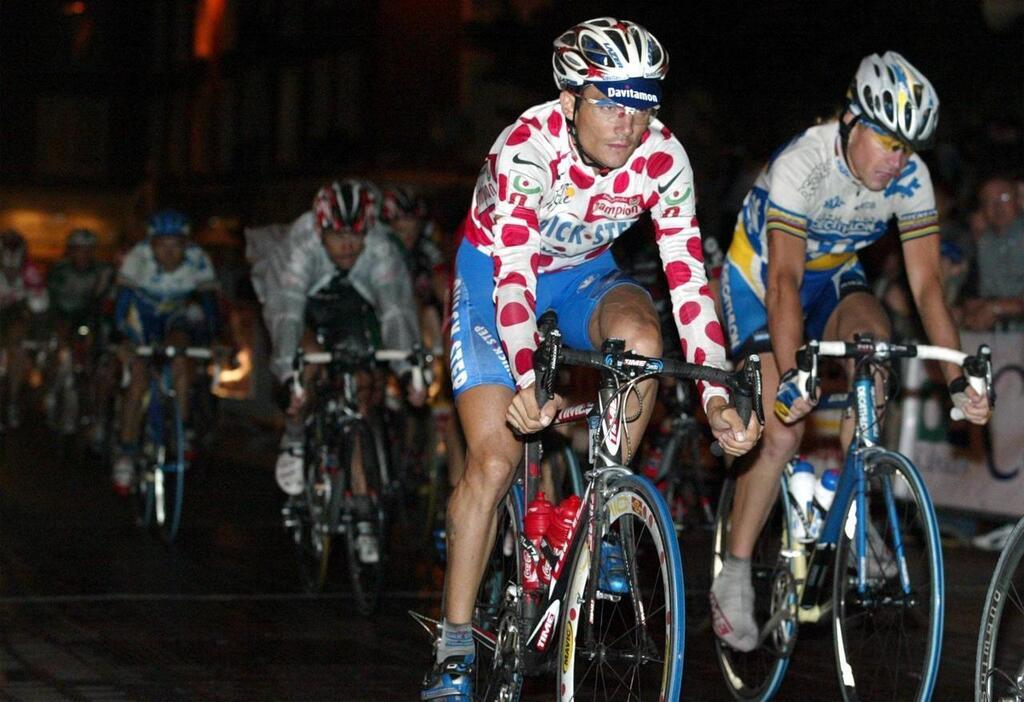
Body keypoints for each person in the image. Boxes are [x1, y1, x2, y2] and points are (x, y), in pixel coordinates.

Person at [422, 17, 761, 700]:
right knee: (493, 459)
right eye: (609, 103)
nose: (627, 125)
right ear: (570, 100)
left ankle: (600, 506)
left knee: (642, 338)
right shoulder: (526, 146)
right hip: (494, 281)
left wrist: (718, 395)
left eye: (641, 107)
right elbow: (514, 278)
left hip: (583, 278)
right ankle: (455, 646)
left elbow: (688, 281)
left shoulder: (663, 158)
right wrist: (525, 380)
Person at [715, 51, 992, 652]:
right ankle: (734, 570)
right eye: (888, 143)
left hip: (835, 276)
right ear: (850, 121)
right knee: (784, 431)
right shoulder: (804, 162)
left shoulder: (910, 177)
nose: (898, 161)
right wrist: (791, 376)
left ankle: (855, 504)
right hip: (759, 280)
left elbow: (925, 288)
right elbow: (784, 282)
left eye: (908, 147)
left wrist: (957, 377)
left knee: (878, 346)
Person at [247, 179, 423, 562]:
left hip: (349, 301)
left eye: (355, 237)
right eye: (337, 236)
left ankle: (362, 508)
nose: (347, 246)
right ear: (320, 229)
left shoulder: (378, 249)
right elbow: (286, 315)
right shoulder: (300, 246)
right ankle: (295, 439)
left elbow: (395, 310)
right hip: (300, 301)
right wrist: (289, 373)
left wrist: (409, 367)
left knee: (361, 385)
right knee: (307, 360)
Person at [111, 210, 221, 494]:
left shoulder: (199, 260)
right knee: (138, 380)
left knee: (181, 352)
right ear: (151, 244)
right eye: (162, 244)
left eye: (176, 244)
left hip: (176, 315)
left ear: (187, 244)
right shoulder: (137, 258)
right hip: (142, 317)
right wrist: (123, 338)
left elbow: (210, 306)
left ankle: (182, 430)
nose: (169, 252)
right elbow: (122, 306)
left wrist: (215, 339)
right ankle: (125, 451)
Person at [46, 228, 116, 440]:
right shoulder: (59, 271)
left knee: (102, 362)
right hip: (64, 319)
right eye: (78, 250)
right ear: (70, 251)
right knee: (57, 350)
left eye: (88, 250)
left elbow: (111, 300)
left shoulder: (104, 270)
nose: (83, 255)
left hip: (93, 320)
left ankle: (97, 414)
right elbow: (50, 300)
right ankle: (52, 387)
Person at [958, 176, 1024, 331]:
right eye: (987, 201)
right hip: (999, 329)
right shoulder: (984, 242)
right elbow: (975, 294)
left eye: (1004, 197)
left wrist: (995, 308)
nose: (997, 206)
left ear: (1019, 199)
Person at [0, 229, 48, 429]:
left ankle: (12, 400)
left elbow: (40, 306)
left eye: (16, 264)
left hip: (14, 317)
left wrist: (39, 336)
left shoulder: (30, 271)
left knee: (19, 347)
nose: (11, 269)